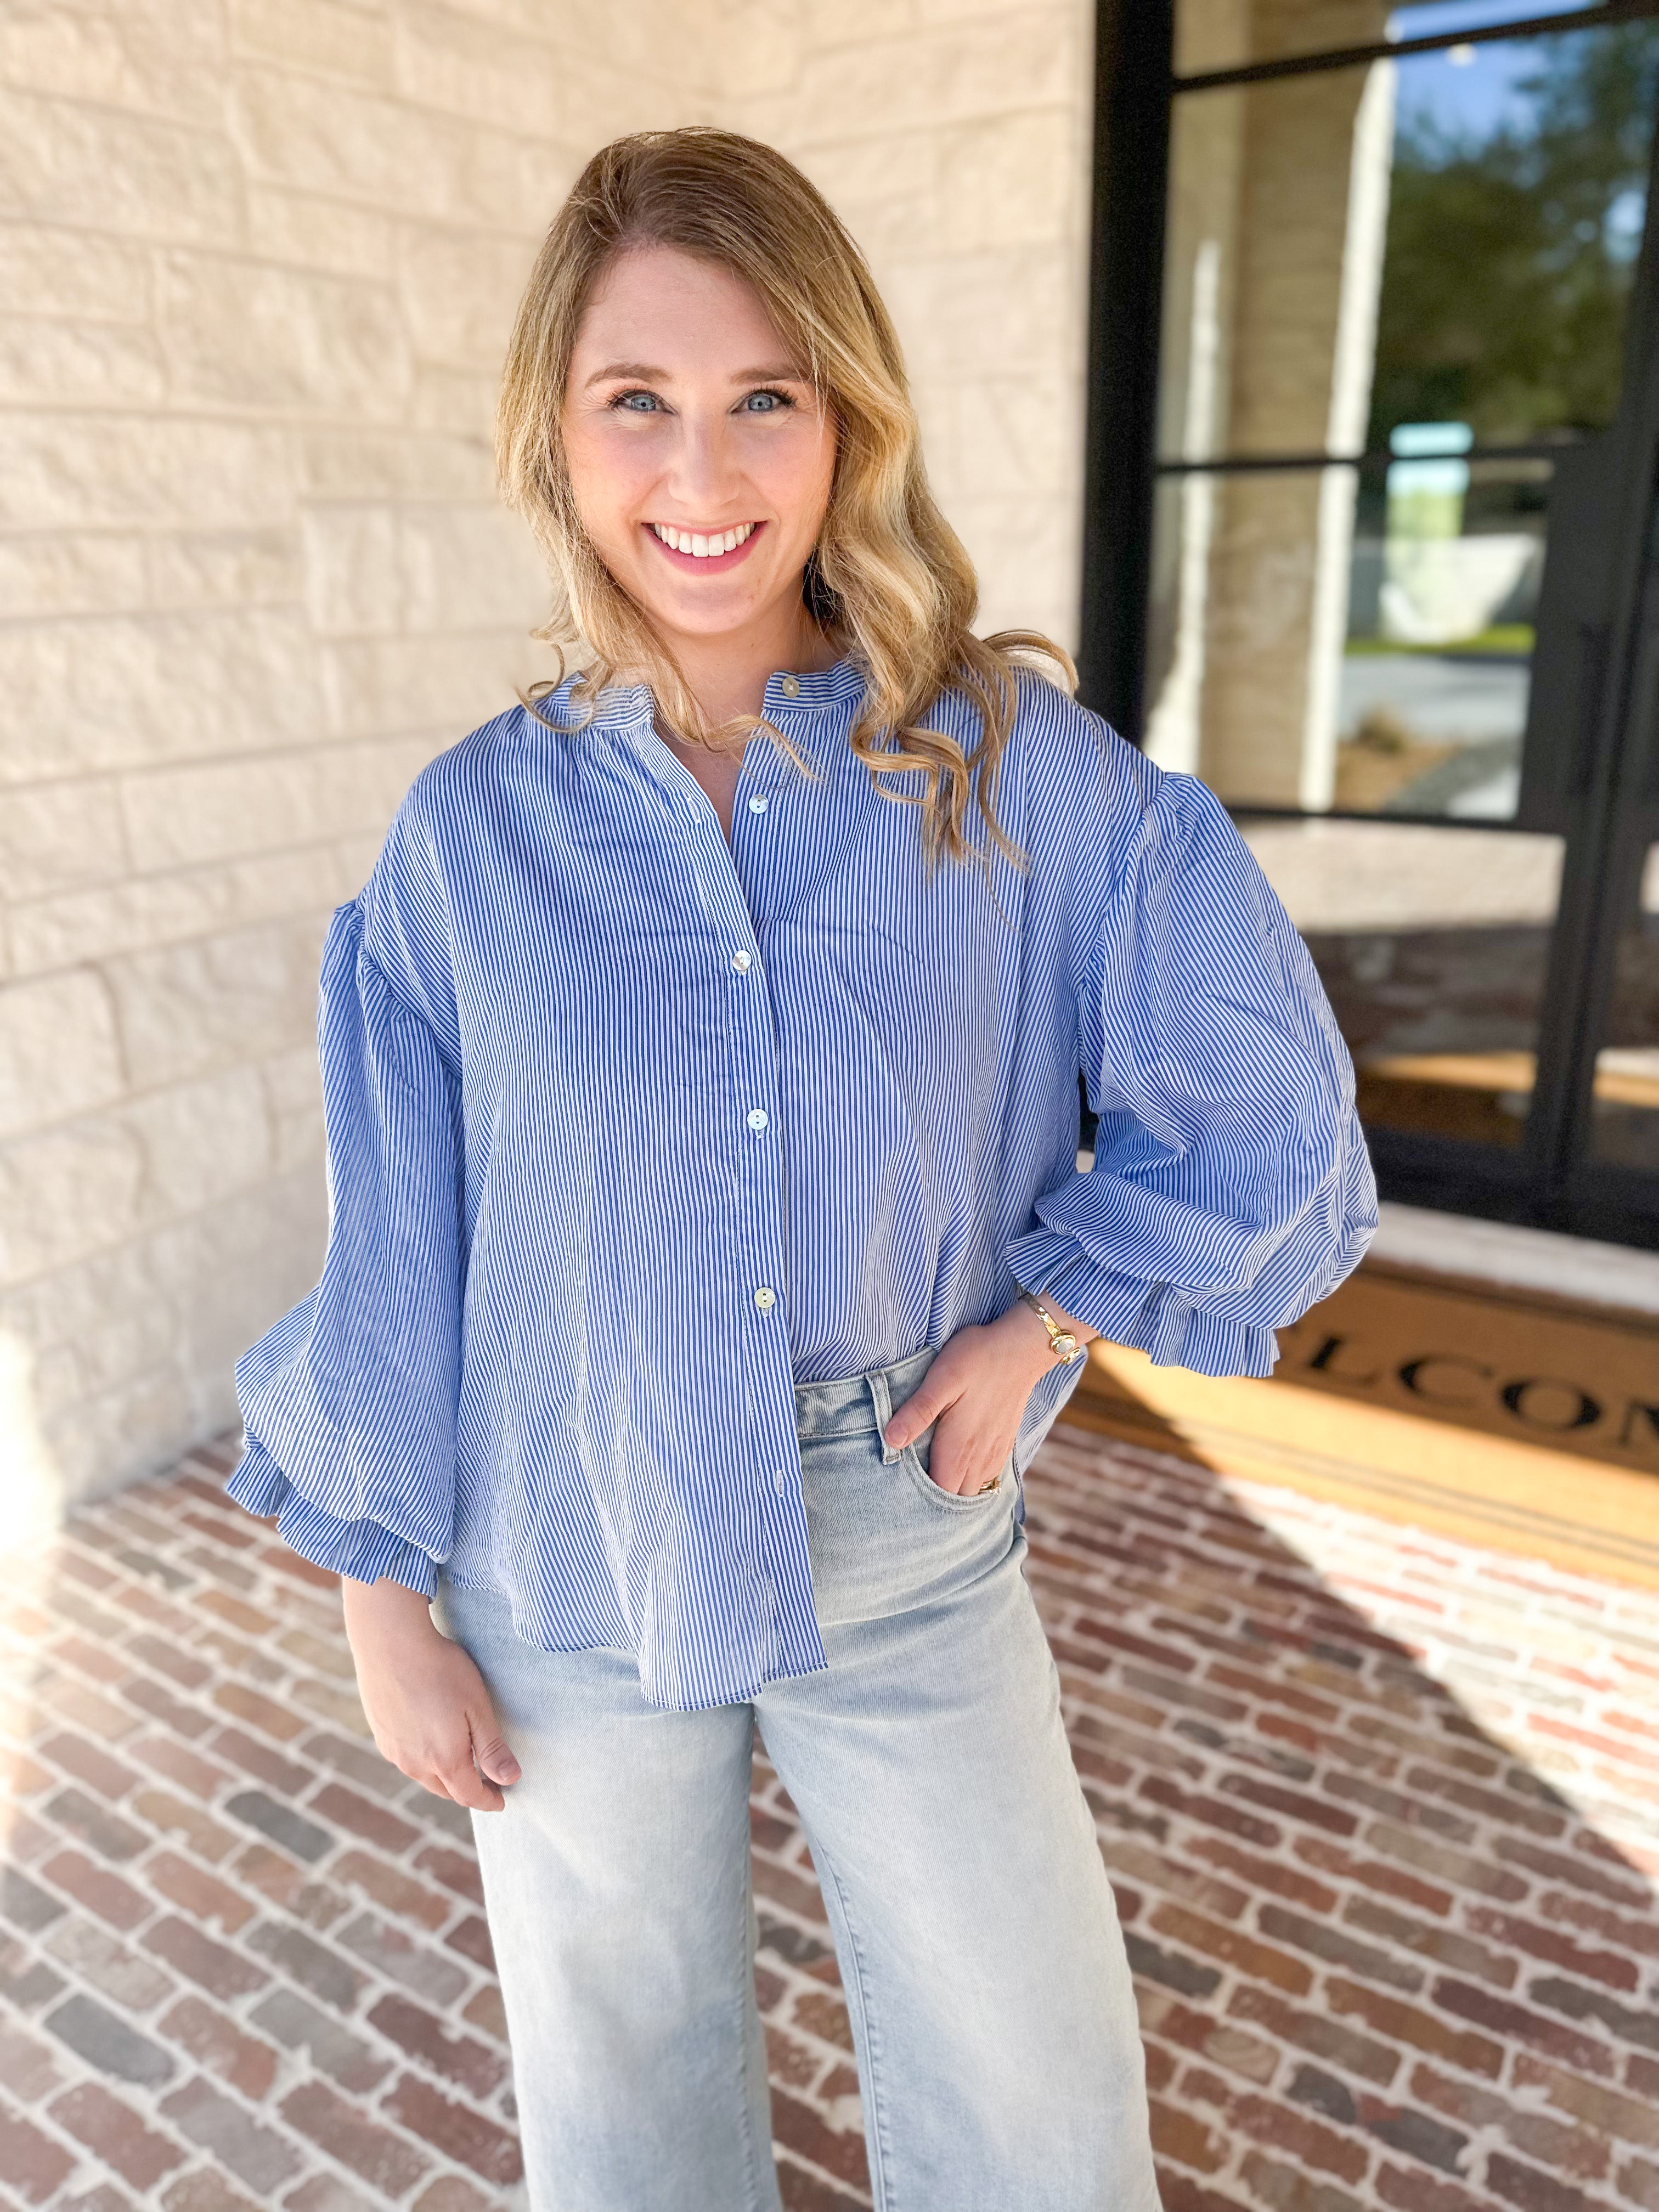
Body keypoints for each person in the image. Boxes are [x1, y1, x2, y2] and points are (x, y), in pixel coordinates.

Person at [228, 126, 1377, 2212]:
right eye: (636, 400)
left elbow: (1264, 1101)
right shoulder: (467, 834)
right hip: (562, 1522)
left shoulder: (1010, 775)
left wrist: (1051, 1323)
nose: (704, 471)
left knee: (1040, 2112)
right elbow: (404, 1232)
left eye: (766, 395)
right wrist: (383, 1601)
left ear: (848, 416)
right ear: (555, 435)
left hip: (902, 1521)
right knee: (624, 2114)